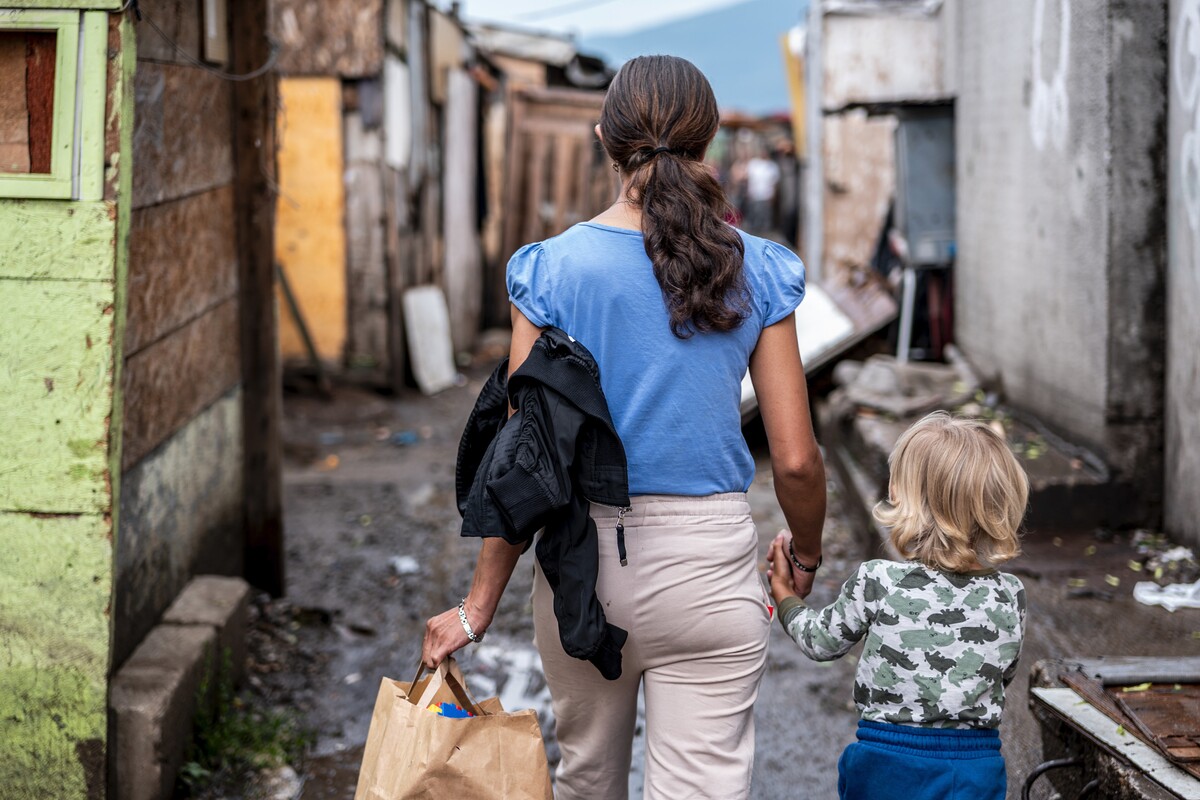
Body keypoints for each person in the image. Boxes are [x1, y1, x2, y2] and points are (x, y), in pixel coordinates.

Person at [423, 54, 826, 800]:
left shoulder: (549, 272)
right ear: (706, 146)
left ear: (605, 138)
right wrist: (802, 556)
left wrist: (476, 609)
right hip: (711, 571)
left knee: (587, 782)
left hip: (585, 573)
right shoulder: (761, 270)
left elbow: (525, 460)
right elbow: (796, 462)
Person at [767, 412, 1029, 800]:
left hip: (888, 765)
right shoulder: (1010, 593)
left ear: (900, 496)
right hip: (976, 769)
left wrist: (785, 594)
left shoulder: (878, 581)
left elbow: (820, 642)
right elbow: (1000, 674)